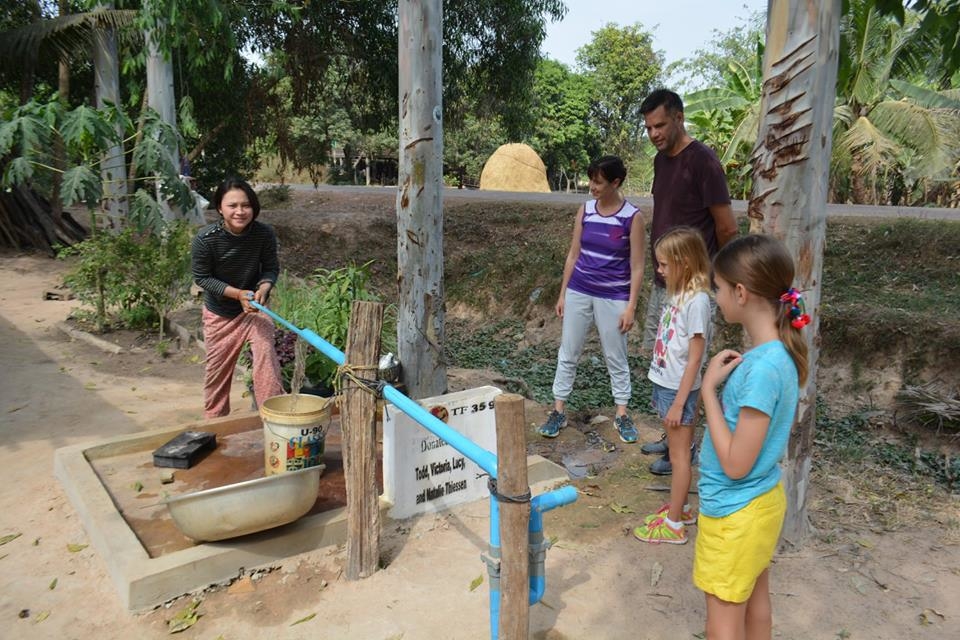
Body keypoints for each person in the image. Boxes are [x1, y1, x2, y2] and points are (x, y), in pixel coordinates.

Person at [694, 234, 809, 639]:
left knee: (723, 622)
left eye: (719, 289)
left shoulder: (760, 370)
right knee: (756, 604)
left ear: (740, 293)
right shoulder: (778, 358)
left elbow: (736, 464)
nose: (717, 296)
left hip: (734, 511)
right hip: (760, 505)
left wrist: (709, 390)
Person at [638, 88, 739, 475]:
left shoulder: (704, 162)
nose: (654, 134)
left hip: (694, 287)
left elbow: (727, 227)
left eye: (660, 125)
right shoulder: (661, 162)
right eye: (648, 128)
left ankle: (686, 448)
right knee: (664, 357)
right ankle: (672, 435)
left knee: (688, 366)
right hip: (665, 284)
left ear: (679, 118)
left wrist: (716, 280)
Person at [538, 155, 645, 444]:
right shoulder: (585, 210)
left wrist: (631, 306)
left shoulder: (632, 217)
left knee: (616, 356)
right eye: (592, 180)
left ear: (616, 182)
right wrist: (563, 293)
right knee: (568, 352)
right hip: (579, 290)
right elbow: (574, 254)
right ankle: (558, 409)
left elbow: (637, 265)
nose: (592, 187)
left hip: (615, 296)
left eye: (598, 182)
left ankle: (621, 414)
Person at [633, 227, 712, 545]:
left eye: (664, 265)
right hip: (667, 385)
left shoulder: (698, 302)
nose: (660, 270)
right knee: (679, 454)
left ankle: (674, 525)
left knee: (679, 457)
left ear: (685, 263)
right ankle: (683, 508)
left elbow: (694, 359)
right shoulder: (678, 294)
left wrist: (680, 402)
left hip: (679, 390)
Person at [191, 177, 284, 418]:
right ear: (220, 208)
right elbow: (202, 278)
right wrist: (238, 294)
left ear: (254, 207)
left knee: (267, 363)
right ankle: (215, 424)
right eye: (232, 206)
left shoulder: (263, 234)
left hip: (255, 309)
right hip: (220, 314)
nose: (240, 212)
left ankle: (272, 421)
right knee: (217, 374)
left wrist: (264, 286)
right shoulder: (205, 239)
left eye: (246, 205)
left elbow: (270, 268)